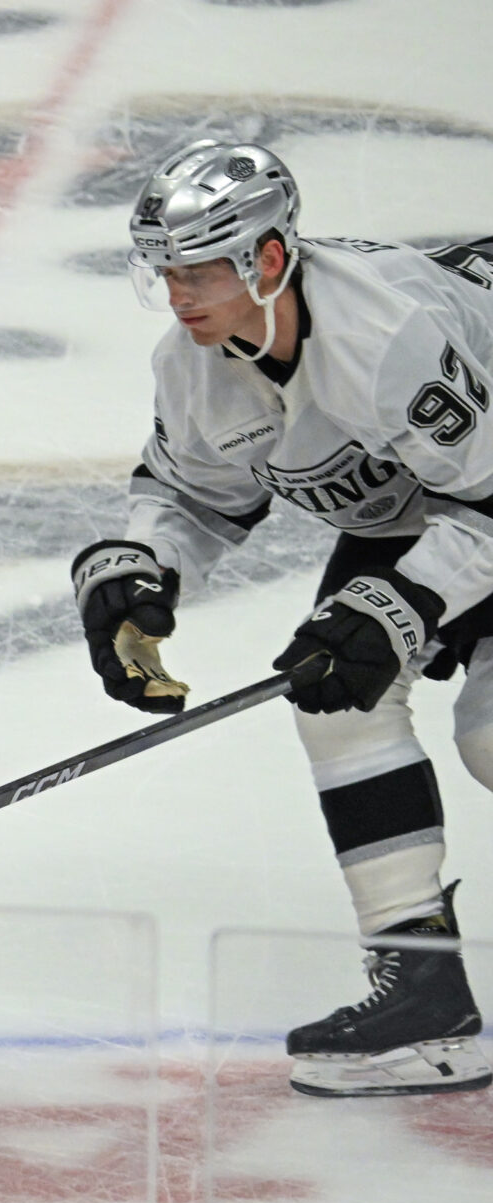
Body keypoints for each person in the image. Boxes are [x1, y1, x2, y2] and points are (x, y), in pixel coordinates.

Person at [76, 139, 493, 1097]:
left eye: (201, 269)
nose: (180, 295)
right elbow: (193, 494)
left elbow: (488, 500)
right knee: (339, 697)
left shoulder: (385, 336)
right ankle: (425, 994)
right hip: (438, 501)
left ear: (268, 260)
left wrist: (404, 601)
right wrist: (141, 572)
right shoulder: (199, 364)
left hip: (483, 485)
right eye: (166, 271)